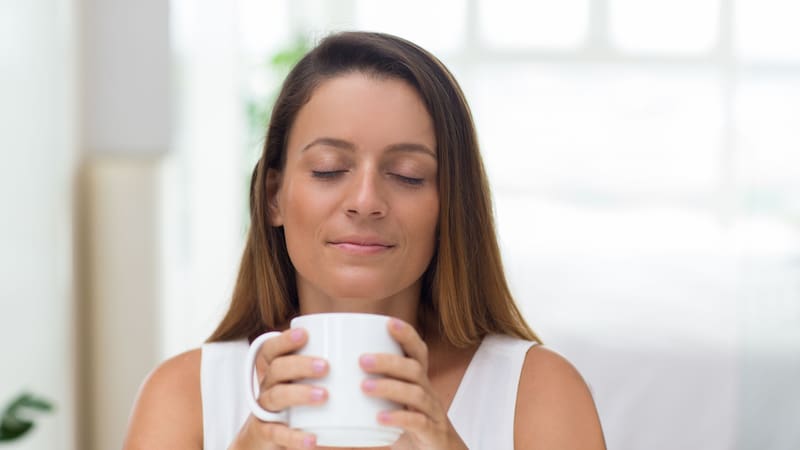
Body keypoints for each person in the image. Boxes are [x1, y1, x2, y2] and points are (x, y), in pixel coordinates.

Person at [123, 31, 606, 449]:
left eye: (408, 175)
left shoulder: (538, 394)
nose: (365, 200)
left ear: (451, 208)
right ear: (274, 196)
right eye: (329, 169)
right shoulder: (185, 396)